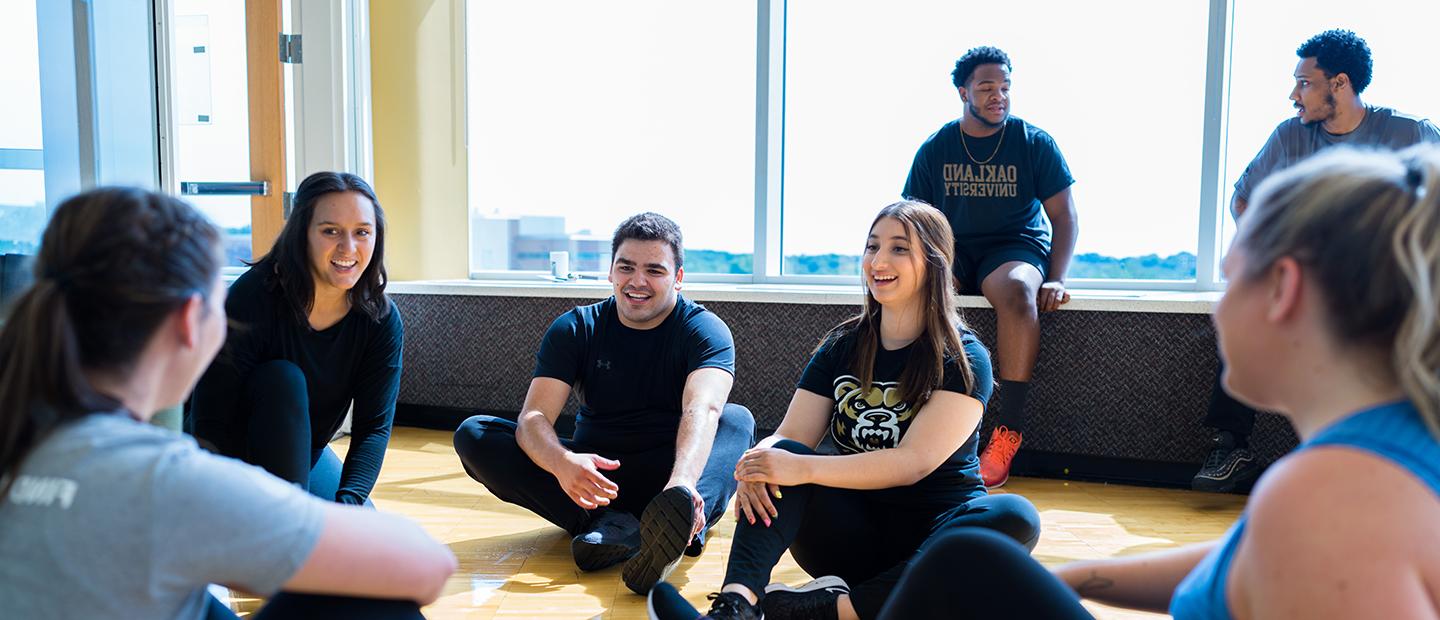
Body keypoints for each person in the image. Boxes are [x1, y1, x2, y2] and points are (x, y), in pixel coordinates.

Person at [655, 146, 1440, 620]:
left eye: (1227, 276)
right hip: (860, 526)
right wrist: (1068, 578)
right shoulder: (1355, 472)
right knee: (973, 567)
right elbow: (1248, 556)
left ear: (1288, 291)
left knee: (983, 542)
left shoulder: (1335, 498)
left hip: (928, 518)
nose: (1214, 305)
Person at [0, 188, 456, 618]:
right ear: (188, 323)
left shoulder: (23, 442)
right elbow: (428, 566)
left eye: (362, 231)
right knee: (373, 599)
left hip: (287, 464)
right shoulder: (165, 481)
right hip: (233, 453)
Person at [659, 201, 1040, 620]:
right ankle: (736, 606)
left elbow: (911, 463)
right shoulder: (842, 346)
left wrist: (799, 467)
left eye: (898, 248)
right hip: (850, 537)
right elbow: (792, 435)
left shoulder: (963, 357)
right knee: (780, 458)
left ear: (934, 263)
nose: (878, 260)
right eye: (872, 246)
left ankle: (831, 611)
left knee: (1014, 516)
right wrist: (757, 462)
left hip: (935, 540)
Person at [452, 212, 755, 595]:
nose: (637, 281)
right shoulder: (576, 327)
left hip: (673, 475)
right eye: (626, 267)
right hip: (593, 480)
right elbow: (533, 417)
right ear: (610, 272)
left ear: (678, 277)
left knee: (736, 420)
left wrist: (682, 482)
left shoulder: (704, 330)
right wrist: (562, 464)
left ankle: (681, 525)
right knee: (475, 434)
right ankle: (608, 524)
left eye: (654, 270)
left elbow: (703, 408)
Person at [1194, 28, 1440, 493]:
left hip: (1390, 280)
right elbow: (1244, 201)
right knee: (1253, 305)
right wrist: (1269, 255)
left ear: (1340, 84)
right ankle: (1230, 446)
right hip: (1320, 280)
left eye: (1304, 83)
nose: (1294, 95)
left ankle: (1394, 457)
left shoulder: (1409, 133)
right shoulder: (1291, 137)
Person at [902, 45, 1079, 488]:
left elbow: (1065, 215)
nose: (998, 96)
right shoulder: (937, 147)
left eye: (1005, 87)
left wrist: (1057, 277)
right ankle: (912, 418)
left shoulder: (1033, 142)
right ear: (963, 92)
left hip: (1015, 245)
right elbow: (913, 218)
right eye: (986, 88)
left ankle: (1008, 431)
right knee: (919, 288)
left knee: (1018, 290)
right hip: (954, 246)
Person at [191, 171, 401, 505]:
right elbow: (210, 420)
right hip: (227, 462)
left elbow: (373, 428)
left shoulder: (379, 319)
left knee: (361, 533)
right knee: (282, 378)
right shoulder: (253, 297)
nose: (348, 247)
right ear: (302, 232)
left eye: (362, 232)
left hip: (303, 458)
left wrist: (349, 504)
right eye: (330, 231)